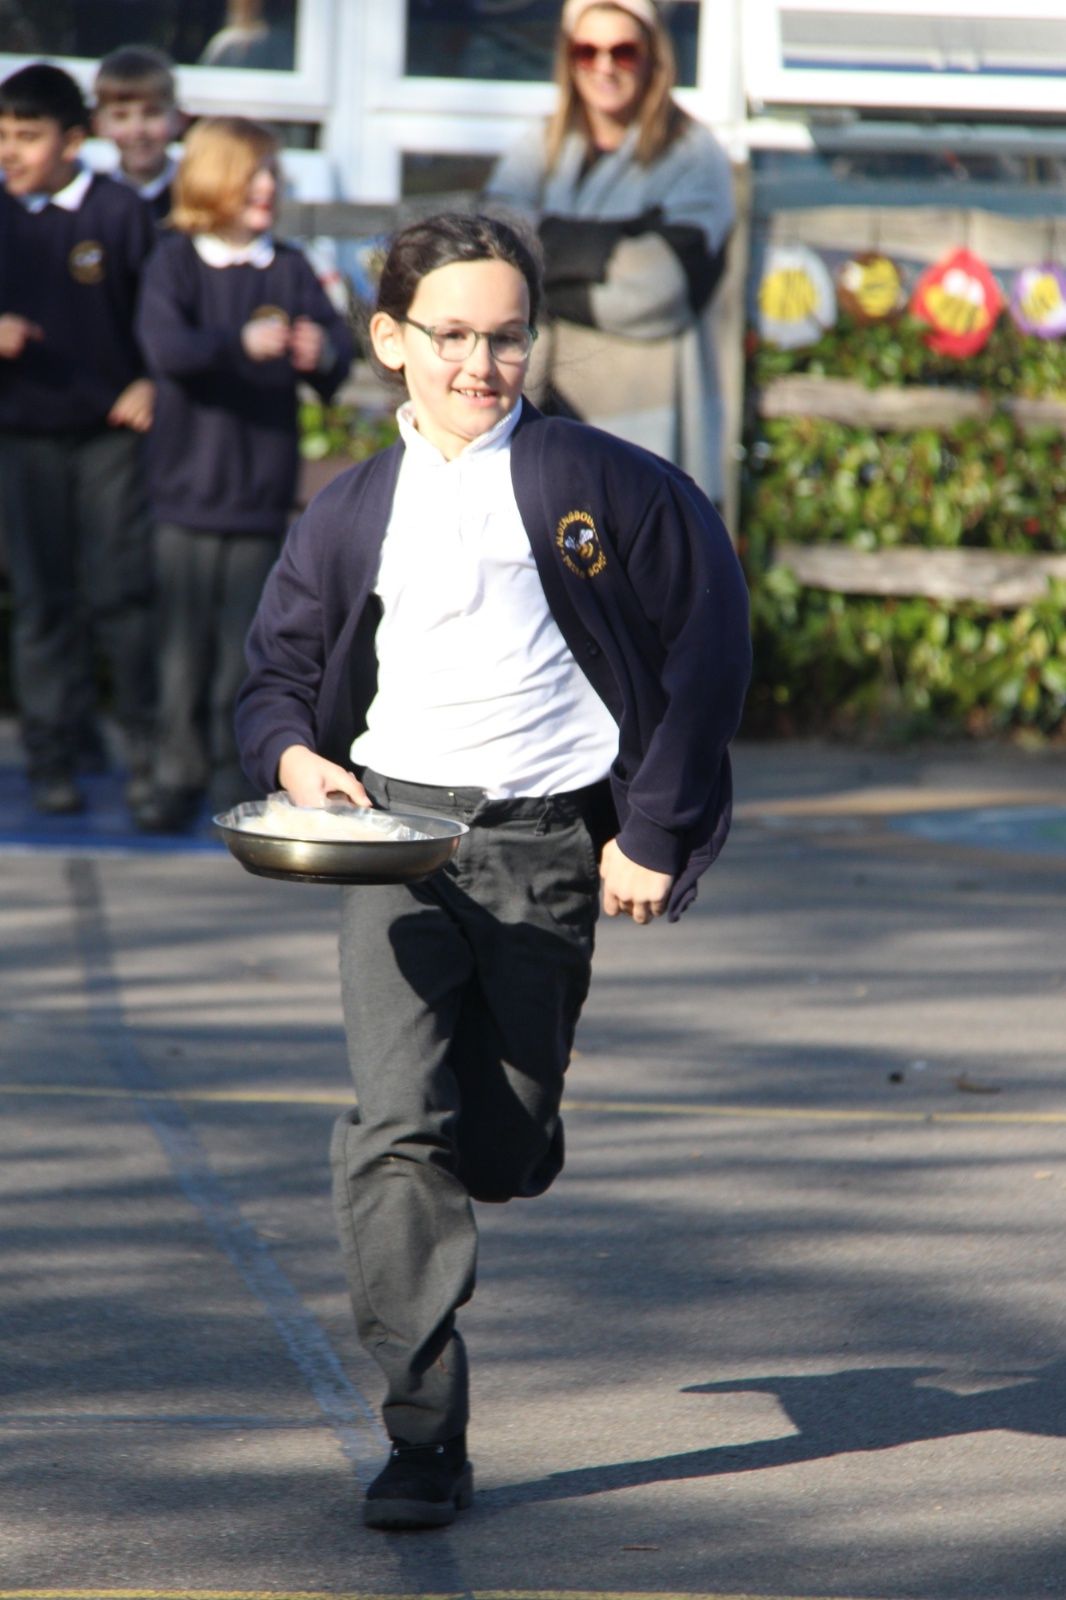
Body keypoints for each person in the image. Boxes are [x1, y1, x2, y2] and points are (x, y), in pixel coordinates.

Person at [235, 210, 751, 1530]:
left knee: (501, 1147)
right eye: (451, 335)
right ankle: (424, 1438)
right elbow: (277, 672)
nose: (480, 363)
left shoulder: (599, 482)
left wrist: (651, 831)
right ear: (389, 340)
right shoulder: (351, 507)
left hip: (545, 848)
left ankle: (515, 1126)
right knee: (392, 1130)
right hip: (392, 847)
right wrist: (293, 758)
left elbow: (708, 644)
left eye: (506, 336)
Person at [132, 116, 354, 830]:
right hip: (183, 494)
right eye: (252, 174)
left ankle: (235, 778)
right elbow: (167, 349)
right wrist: (240, 342)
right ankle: (174, 776)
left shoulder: (288, 267)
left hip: (258, 497)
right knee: (178, 653)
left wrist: (321, 351)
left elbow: (337, 355)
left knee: (243, 648)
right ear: (212, 180)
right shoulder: (175, 263)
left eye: (272, 175)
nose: (267, 187)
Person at [484, 0, 735, 504]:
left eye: (623, 52)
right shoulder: (538, 145)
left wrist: (534, 273)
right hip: (541, 419)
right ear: (568, 57)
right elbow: (492, 244)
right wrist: (618, 244)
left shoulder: (694, 154)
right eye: (587, 51)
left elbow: (657, 287)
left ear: (652, 56)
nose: (604, 67)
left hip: (644, 422)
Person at [0, 62, 157, 816]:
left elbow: (164, 313)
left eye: (27, 136)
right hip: (21, 436)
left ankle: (150, 762)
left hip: (108, 438)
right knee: (41, 603)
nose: (10, 151)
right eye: (2, 135)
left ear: (73, 140)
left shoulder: (120, 213)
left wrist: (151, 381)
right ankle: (52, 762)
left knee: (121, 598)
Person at [92, 44, 184, 225]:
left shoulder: (196, 197)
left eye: (152, 113)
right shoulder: (92, 202)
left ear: (178, 119)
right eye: (121, 116)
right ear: (99, 125)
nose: (137, 129)